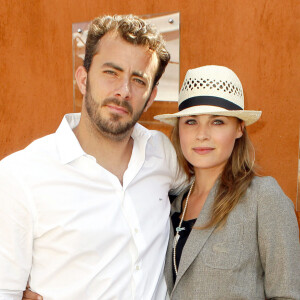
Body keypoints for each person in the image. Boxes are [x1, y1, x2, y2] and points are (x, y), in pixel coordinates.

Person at [0, 14, 185, 300]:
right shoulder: (21, 176)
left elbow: (212, 189)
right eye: (111, 72)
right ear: (83, 79)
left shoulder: (162, 154)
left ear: (151, 97)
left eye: (138, 80)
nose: (123, 91)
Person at [154, 65, 300, 299]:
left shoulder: (263, 198)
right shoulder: (172, 203)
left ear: (239, 128)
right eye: (191, 121)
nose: (202, 134)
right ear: (178, 129)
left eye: (217, 122)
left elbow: (287, 294)